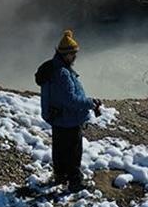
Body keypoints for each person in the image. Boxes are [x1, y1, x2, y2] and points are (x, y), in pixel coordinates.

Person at [35, 29, 102, 192]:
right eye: (73, 54)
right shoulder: (62, 73)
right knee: (73, 152)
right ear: (65, 54)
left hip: (57, 117)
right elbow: (70, 100)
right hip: (69, 118)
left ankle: (60, 176)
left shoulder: (51, 68)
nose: (75, 57)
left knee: (59, 149)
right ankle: (75, 182)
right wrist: (90, 103)